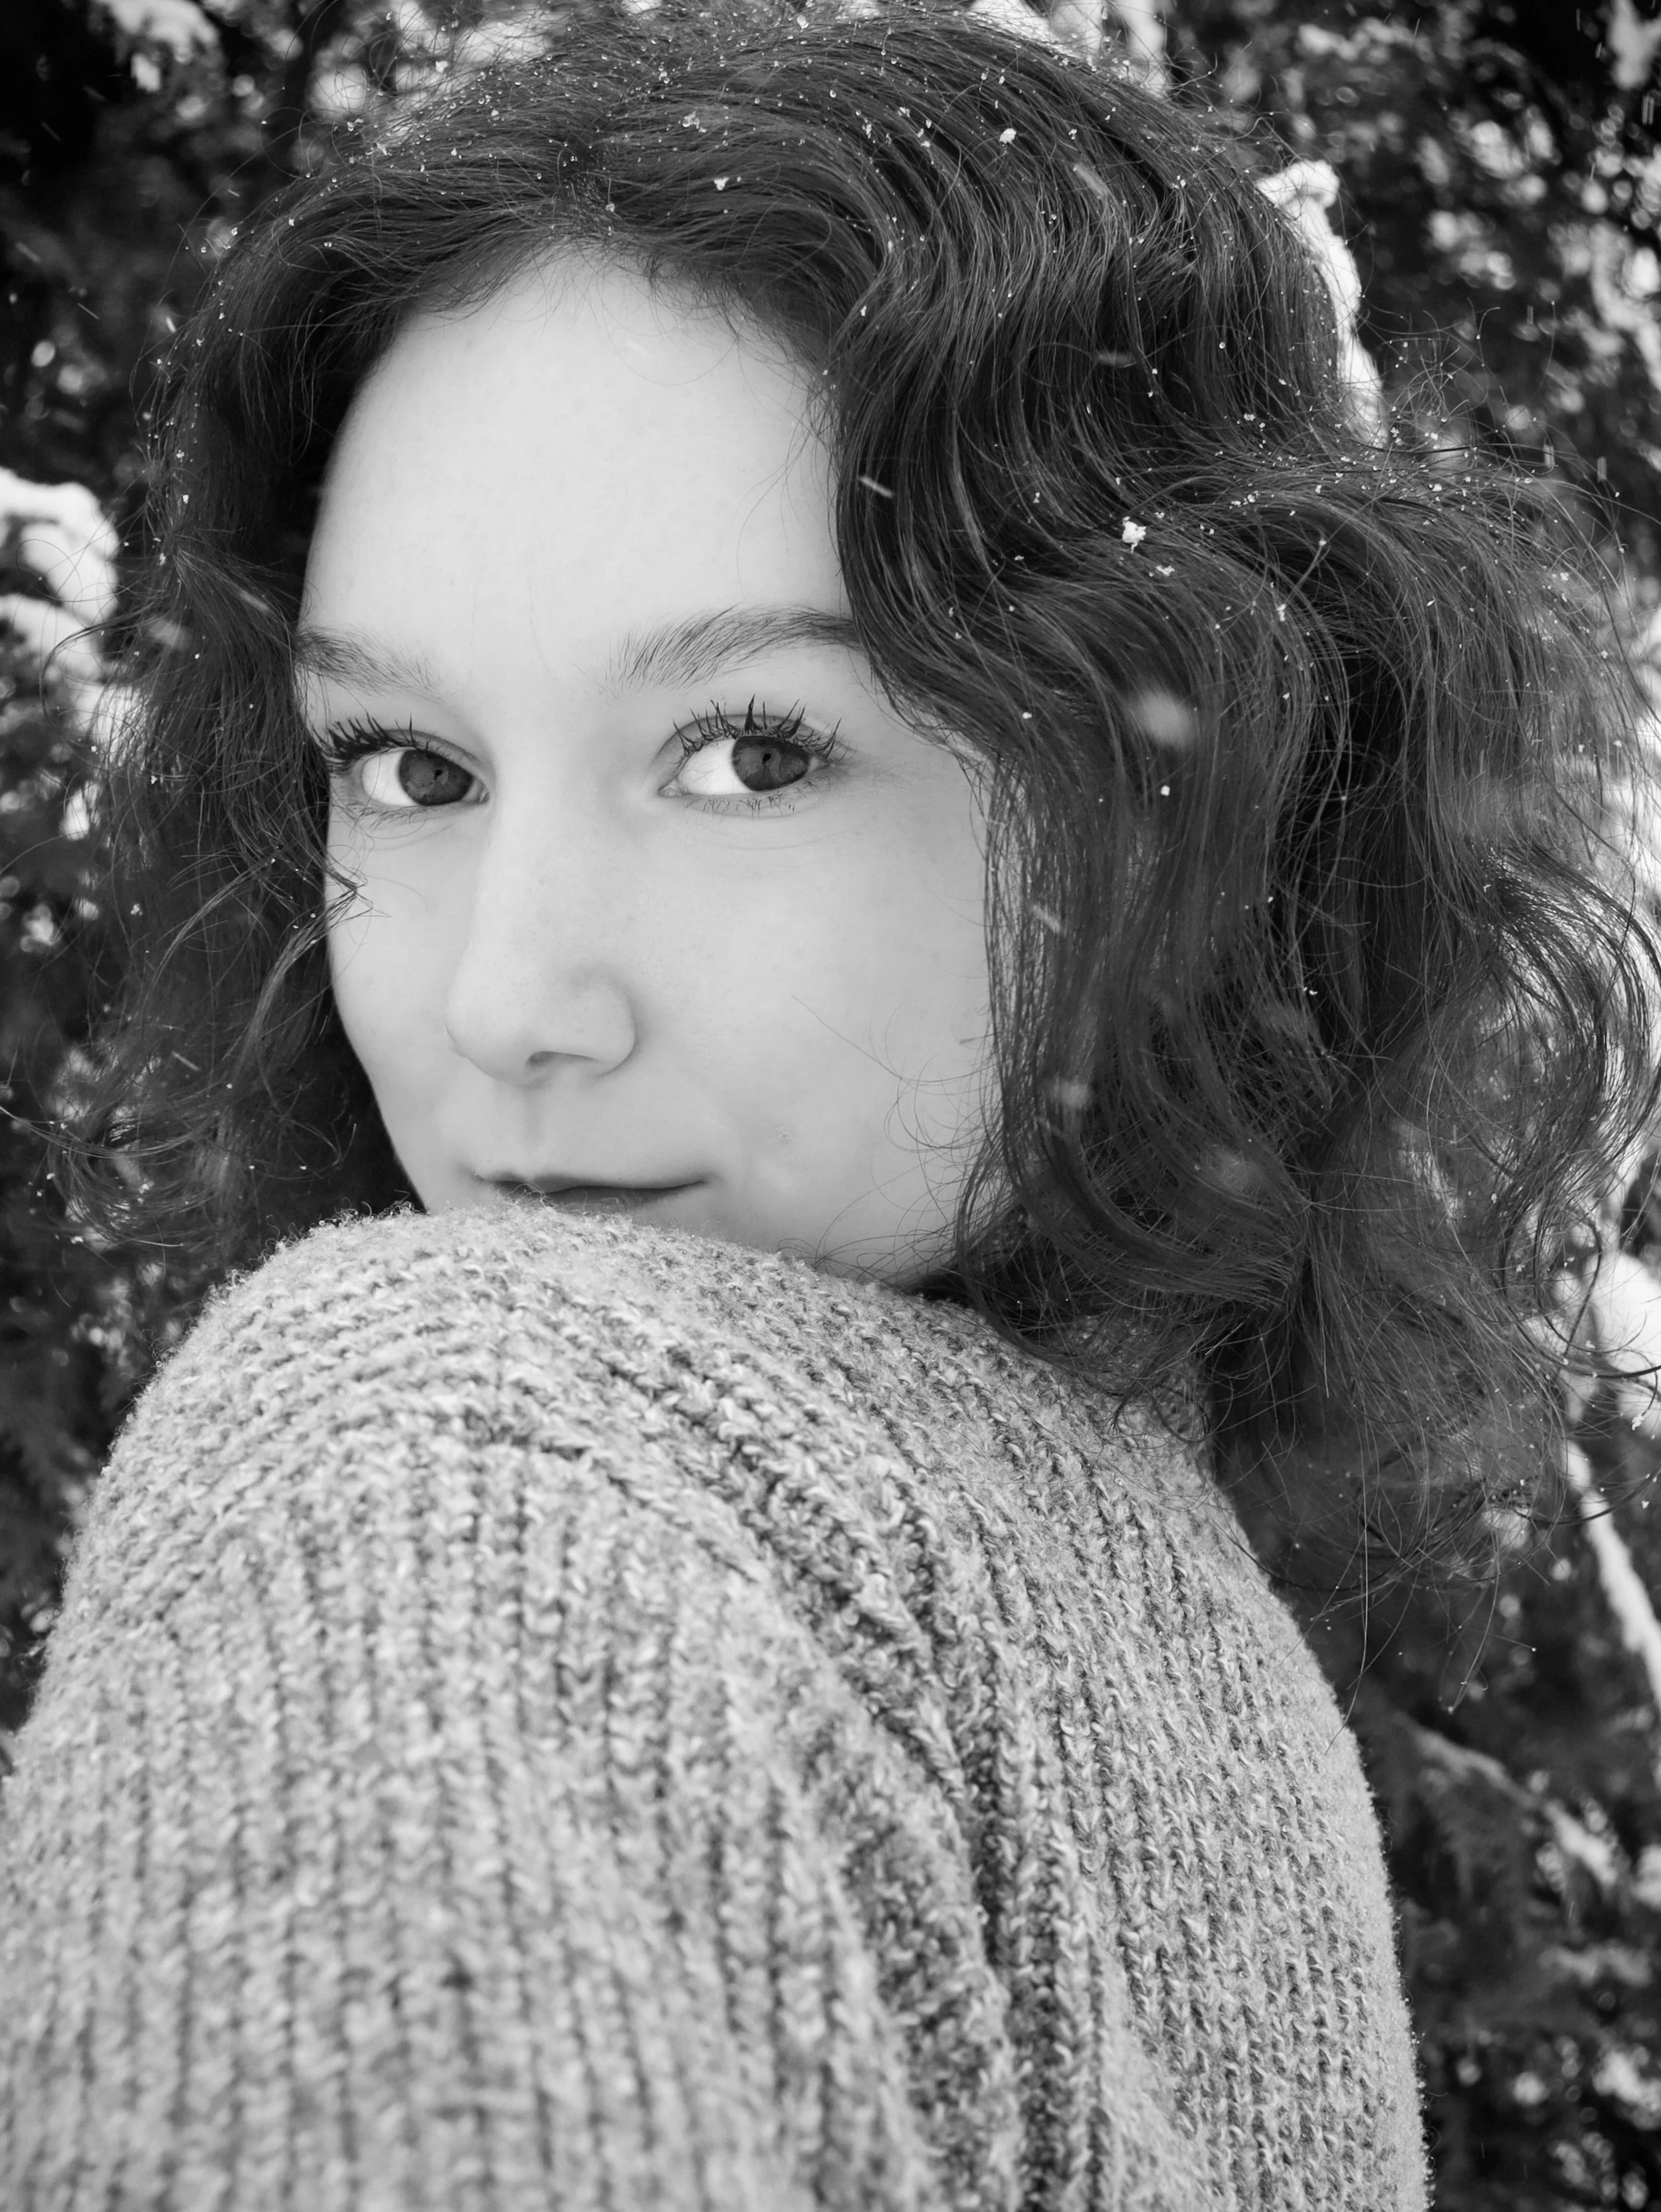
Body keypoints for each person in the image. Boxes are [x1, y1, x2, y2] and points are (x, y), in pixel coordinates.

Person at [4, 1, 1655, 2203]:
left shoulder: (447, 1461)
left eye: (751, 753)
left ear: (1184, 795)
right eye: (408, 764)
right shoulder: (1132, 1624)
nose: (505, 999)